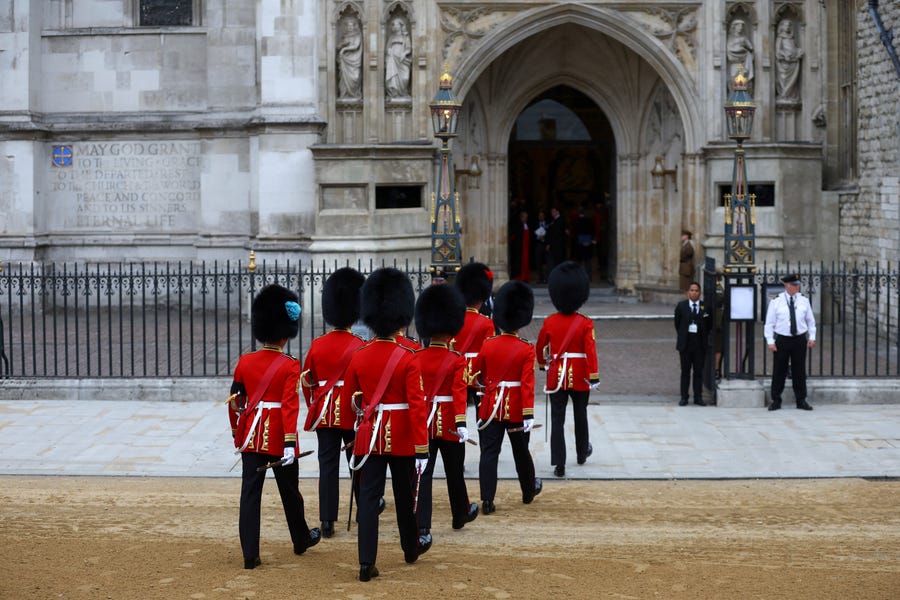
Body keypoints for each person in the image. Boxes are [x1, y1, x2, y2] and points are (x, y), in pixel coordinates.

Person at [342, 268, 431, 582]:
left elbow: (349, 402)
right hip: (404, 435)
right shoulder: (408, 356)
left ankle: (366, 562)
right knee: (405, 496)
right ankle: (409, 548)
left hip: (369, 436)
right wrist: (422, 448)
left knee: (368, 498)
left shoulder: (360, 355)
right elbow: (418, 406)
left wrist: (351, 437)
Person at [227, 284, 321, 570]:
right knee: (289, 491)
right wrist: (291, 442)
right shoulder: (289, 365)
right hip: (279, 438)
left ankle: (250, 553)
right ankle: (300, 538)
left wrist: (237, 435)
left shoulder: (245, 361)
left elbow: (234, 402)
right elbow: (289, 406)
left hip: (252, 437)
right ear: (285, 333)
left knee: (250, 494)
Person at [301, 268, 366, 539]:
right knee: (358, 463)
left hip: (326, 413)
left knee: (327, 465)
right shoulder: (359, 344)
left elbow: (308, 382)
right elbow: (365, 382)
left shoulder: (317, 345)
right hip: (351, 413)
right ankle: (364, 511)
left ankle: (327, 521)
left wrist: (314, 405)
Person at [413, 284, 479, 539]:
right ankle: (459, 513)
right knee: (455, 471)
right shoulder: (457, 359)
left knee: (424, 473)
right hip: (450, 423)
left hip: (424, 423)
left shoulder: (416, 358)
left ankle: (423, 525)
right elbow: (459, 392)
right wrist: (461, 423)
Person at [474, 280, 542, 514]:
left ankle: (487, 500)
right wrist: (528, 414)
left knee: (489, 452)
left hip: (491, 406)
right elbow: (527, 385)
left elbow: (479, 376)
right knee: (520, 451)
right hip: (514, 407)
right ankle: (528, 490)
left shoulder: (488, 345)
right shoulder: (526, 348)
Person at [537, 262, 599, 478]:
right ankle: (582, 453)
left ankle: (559, 463)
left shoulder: (550, 321)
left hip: (557, 376)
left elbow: (540, 347)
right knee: (580, 414)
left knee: (557, 419)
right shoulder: (585, 323)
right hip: (580, 374)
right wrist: (594, 376)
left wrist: (543, 364)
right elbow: (590, 352)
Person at [764, 273, 816, 411]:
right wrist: (770, 341)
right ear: (786, 285)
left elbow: (810, 321)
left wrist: (812, 337)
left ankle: (801, 399)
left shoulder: (804, 300)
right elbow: (769, 323)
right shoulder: (776, 301)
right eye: (794, 284)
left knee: (799, 370)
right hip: (782, 339)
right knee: (779, 370)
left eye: (798, 284)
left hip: (799, 339)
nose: (797, 287)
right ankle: (776, 399)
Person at [454, 262, 496, 413]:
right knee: (482, 415)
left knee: (457, 413)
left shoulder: (455, 320)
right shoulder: (486, 323)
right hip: (479, 372)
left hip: (457, 371)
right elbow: (489, 353)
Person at [674, 281, 712, 407]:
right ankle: (684, 396)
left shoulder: (705, 307)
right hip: (685, 345)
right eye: (692, 290)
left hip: (699, 345)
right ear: (688, 292)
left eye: (696, 291)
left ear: (700, 293)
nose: (694, 292)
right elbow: (677, 324)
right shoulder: (681, 306)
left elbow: (709, 325)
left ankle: (698, 396)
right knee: (685, 371)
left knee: (698, 372)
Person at [775, 18, 803, 103]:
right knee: (784, 79)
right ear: (782, 27)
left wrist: (799, 51)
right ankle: (783, 96)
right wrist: (784, 55)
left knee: (793, 82)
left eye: (789, 26)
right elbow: (778, 50)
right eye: (785, 25)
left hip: (793, 63)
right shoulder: (780, 38)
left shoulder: (791, 38)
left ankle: (790, 96)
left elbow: (795, 47)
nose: (787, 27)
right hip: (784, 64)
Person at [385, 17, 412, 99]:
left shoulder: (405, 36)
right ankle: (394, 94)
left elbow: (408, 48)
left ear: (400, 26)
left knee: (405, 78)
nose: (394, 26)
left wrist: (404, 54)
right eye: (393, 25)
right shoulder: (391, 37)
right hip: (392, 59)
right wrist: (389, 50)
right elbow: (388, 47)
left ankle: (403, 93)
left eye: (396, 25)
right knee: (393, 77)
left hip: (402, 60)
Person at [337, 16, 362, 99]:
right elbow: (337, 47)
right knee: (343, 78)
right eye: (348, 26)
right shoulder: (345, 36)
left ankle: (355, 94)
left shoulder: (357, 36)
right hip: (345, 60)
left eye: (351, 26)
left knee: (355, 77)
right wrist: (342, 45)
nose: (350, 28)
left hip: (354, 60)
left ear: (354, 26)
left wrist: (344, 49)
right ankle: (344, 94)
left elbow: (356, 46)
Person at [727, 18, 754, 90]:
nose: (740, 28)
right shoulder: (730, 38)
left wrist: (743, 50)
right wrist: (739, 49)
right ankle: (734, 97)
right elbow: (729, 50)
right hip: (734, 63)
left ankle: (741, 98)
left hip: (743, 63)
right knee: (734, 80)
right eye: (738, 26)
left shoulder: (743, 38)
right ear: (734, 27)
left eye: (741, 26)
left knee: (742, 81)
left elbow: (751, 48)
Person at [574, 205, 595, 280]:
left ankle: (579, 277)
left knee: (579, 261)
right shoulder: (590, 220)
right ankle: (589, 277)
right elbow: (593, 231)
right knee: (588, 261)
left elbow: (575, 233)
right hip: (588, 243)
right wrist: (591, 240)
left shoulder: (576, 221)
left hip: (580, 244)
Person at [545, 207, 567, 273]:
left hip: (558, 245)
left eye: (553, 211)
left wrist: (549, 243)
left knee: (558, 262)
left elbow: (555, 234)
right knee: (556, 262)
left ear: (557, 212)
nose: (552, 213)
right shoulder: (554, 220)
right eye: (551, 212)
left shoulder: (560, 220)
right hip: (556, 245)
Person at [534, 210, 549, 283]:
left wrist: (545, 239)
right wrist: (538, 237)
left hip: (546, 245)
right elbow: (532, 234)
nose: (541, 217)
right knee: (538, 262)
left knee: (546, 263)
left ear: (544, 216)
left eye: (542, 216)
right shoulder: (535, 224)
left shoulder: (548, 224)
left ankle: (546, 278)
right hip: (538, 246)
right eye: (539, 216)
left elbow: (551, 234)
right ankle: (540, 278)